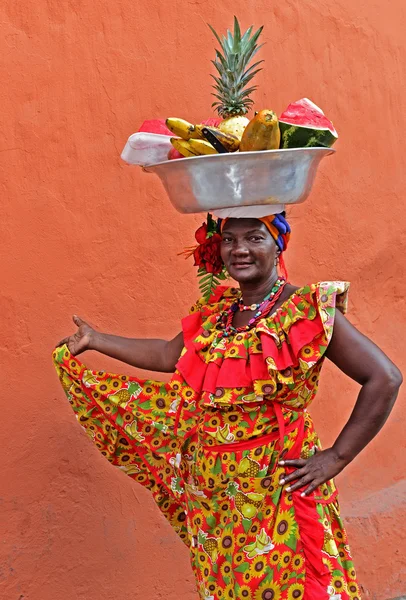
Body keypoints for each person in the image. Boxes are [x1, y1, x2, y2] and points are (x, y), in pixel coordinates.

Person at [53, 212, 402, 600]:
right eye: (229, 240)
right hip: (215, 496)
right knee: (229, 587)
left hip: (278, 487)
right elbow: (170, 355)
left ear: (277, 245)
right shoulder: (219, 313)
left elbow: (384, 378)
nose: (240, 250)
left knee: (296, 587)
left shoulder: (304, 311)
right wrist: (98, 340)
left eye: (254, 238)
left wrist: (337, 456)